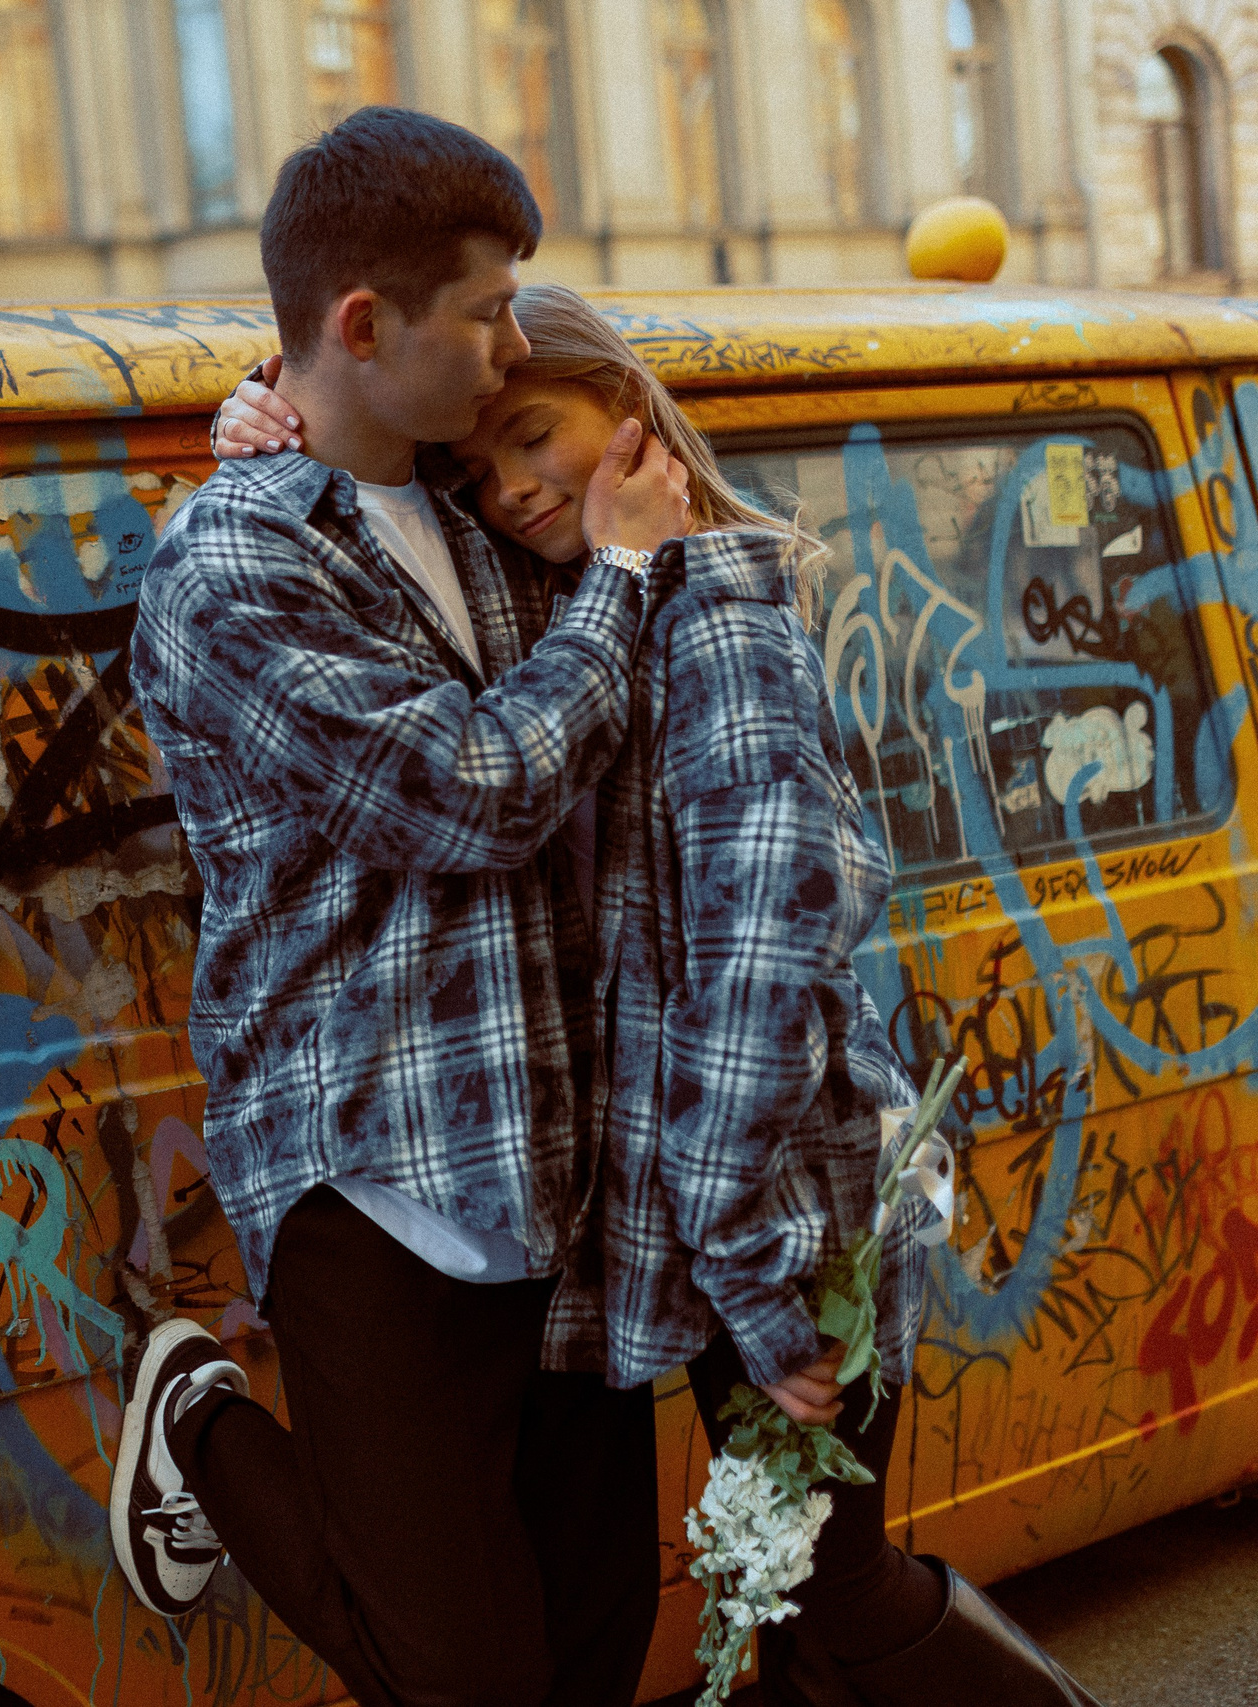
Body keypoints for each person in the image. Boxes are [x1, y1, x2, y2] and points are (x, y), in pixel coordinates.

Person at [213, 282, 1102, 1707]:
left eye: (534, 436)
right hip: (687, 1207)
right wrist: (263, 412)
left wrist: (751, 1273)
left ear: (630, 415)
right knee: (775, 1591)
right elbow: (365, 470)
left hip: (785, 1201)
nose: (507, 488)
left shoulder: (715, 620)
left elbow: (757, 975)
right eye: (476, 468)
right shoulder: (577, 603)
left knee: (832, 1580)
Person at [118, 109, 691, 1707]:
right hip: (376, 1182)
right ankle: (201, 1425)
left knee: (593, 1648)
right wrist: (623, 582)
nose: (513, 347)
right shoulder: (232, 565)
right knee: (462, 1681)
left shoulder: (476, 503)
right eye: (488, 311)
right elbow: (469, 793)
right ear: (365, 326)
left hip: (561, 1173)